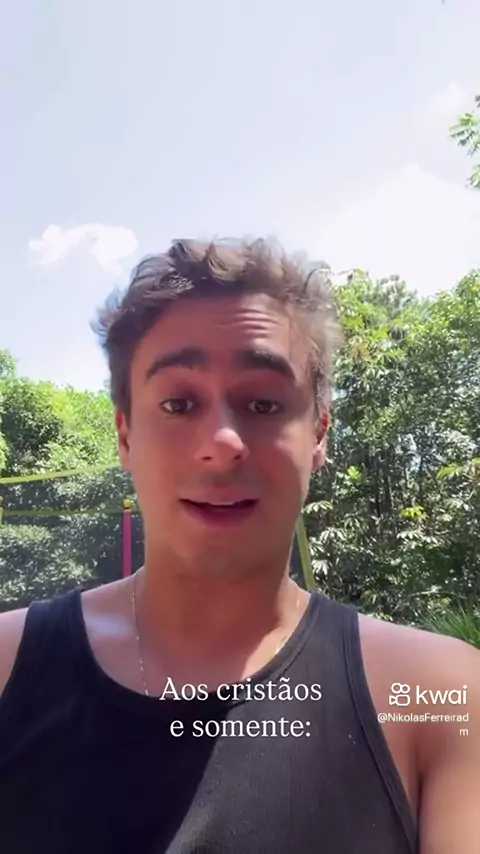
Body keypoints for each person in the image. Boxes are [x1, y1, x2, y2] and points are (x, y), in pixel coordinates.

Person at [0, 238, 478, 854]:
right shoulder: (8, 668)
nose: (223, 442)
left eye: (263, 403)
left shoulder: (440, 700)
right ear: (125, 435)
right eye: (178, 403)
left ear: (318, 434)